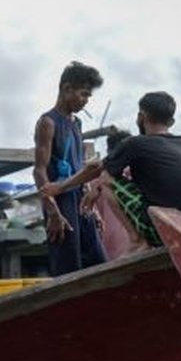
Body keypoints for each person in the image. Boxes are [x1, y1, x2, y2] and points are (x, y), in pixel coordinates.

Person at [44, 92, 181, 245]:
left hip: (163, 229)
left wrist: (60, 187)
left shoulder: (136, 143)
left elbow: (96, 169)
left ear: (142, 116)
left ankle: (137, 241)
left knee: (106, 179)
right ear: (171, 122)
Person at [33, 61, 107, 276]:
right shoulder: (48, 122)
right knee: (68, 267)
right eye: (83, 95)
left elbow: (79, 168)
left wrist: (92, 208)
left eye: (88, 97)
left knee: (97, 261)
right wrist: (53, 212)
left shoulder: (77, 123)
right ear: (66, 89)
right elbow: (39, 170)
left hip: (80, 200)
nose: (85, 102)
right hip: (59, 201)